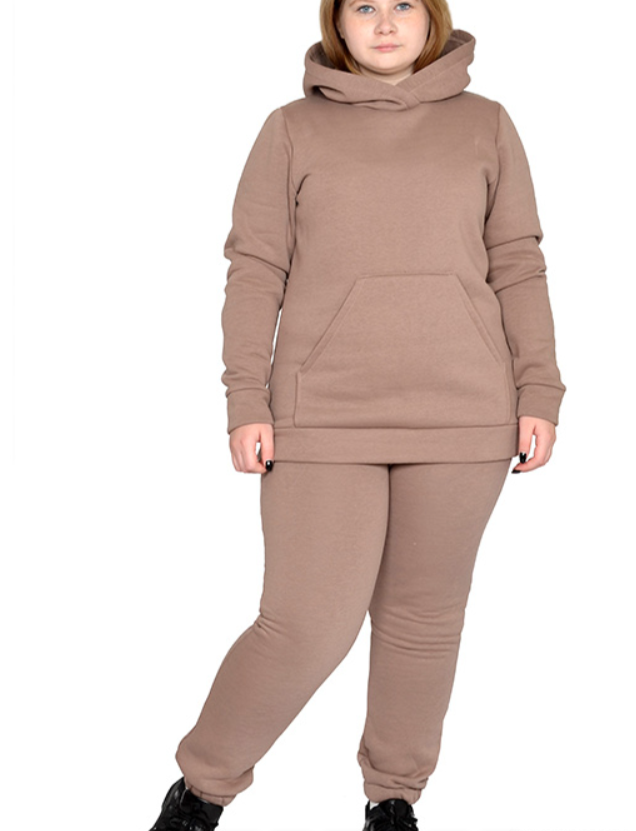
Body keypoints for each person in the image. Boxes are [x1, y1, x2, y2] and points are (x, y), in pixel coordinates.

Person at [147, 1, 566, 829]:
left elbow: (517, 262)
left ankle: (393, 798)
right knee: (305, 624)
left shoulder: (485, 124)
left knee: (422, 621)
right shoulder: (291, 129)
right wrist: (245, 398)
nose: (384, 22)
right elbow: (254, 269)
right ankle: (201, 789)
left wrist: (539, 390)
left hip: (463, 411)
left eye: (403, 3)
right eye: (363, 6)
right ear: (336, 23)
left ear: (430, 17)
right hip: (321, 413)